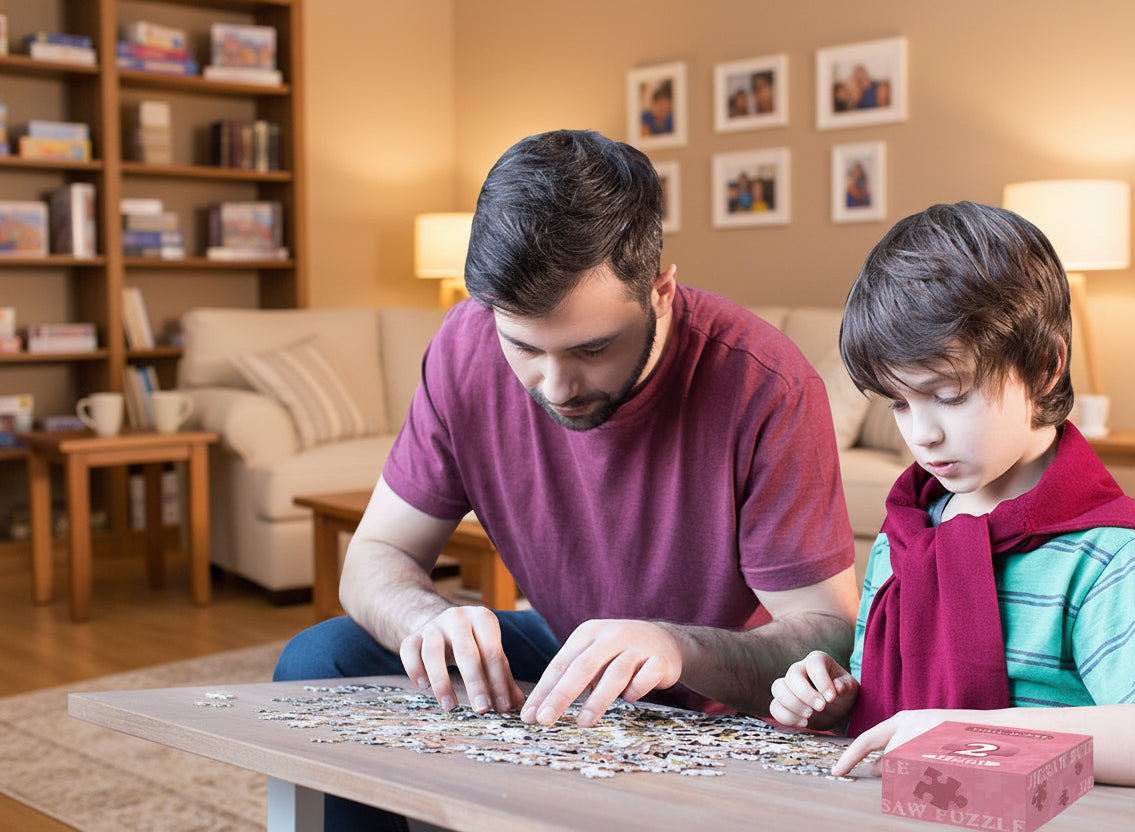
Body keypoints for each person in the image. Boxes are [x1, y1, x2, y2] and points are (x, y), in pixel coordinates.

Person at [275, 129, 860, 829]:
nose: (555, 385)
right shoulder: (463, 348)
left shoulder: (765, 385)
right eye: (523, 346)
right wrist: (426, 620)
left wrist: (673, 647)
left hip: (720, 693)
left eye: (592, 348)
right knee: (324, 656)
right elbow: (375, 557)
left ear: (662, 291)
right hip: (570, 651)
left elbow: (826, 636)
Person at [768, 201, 1135, 790]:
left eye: (950, 394)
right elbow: (884, 709)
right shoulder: (908, 529)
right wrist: (834, 697)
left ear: (1044, 368)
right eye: (899, 403)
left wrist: (956, 733)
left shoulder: (1105, 554)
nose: (921, 433)